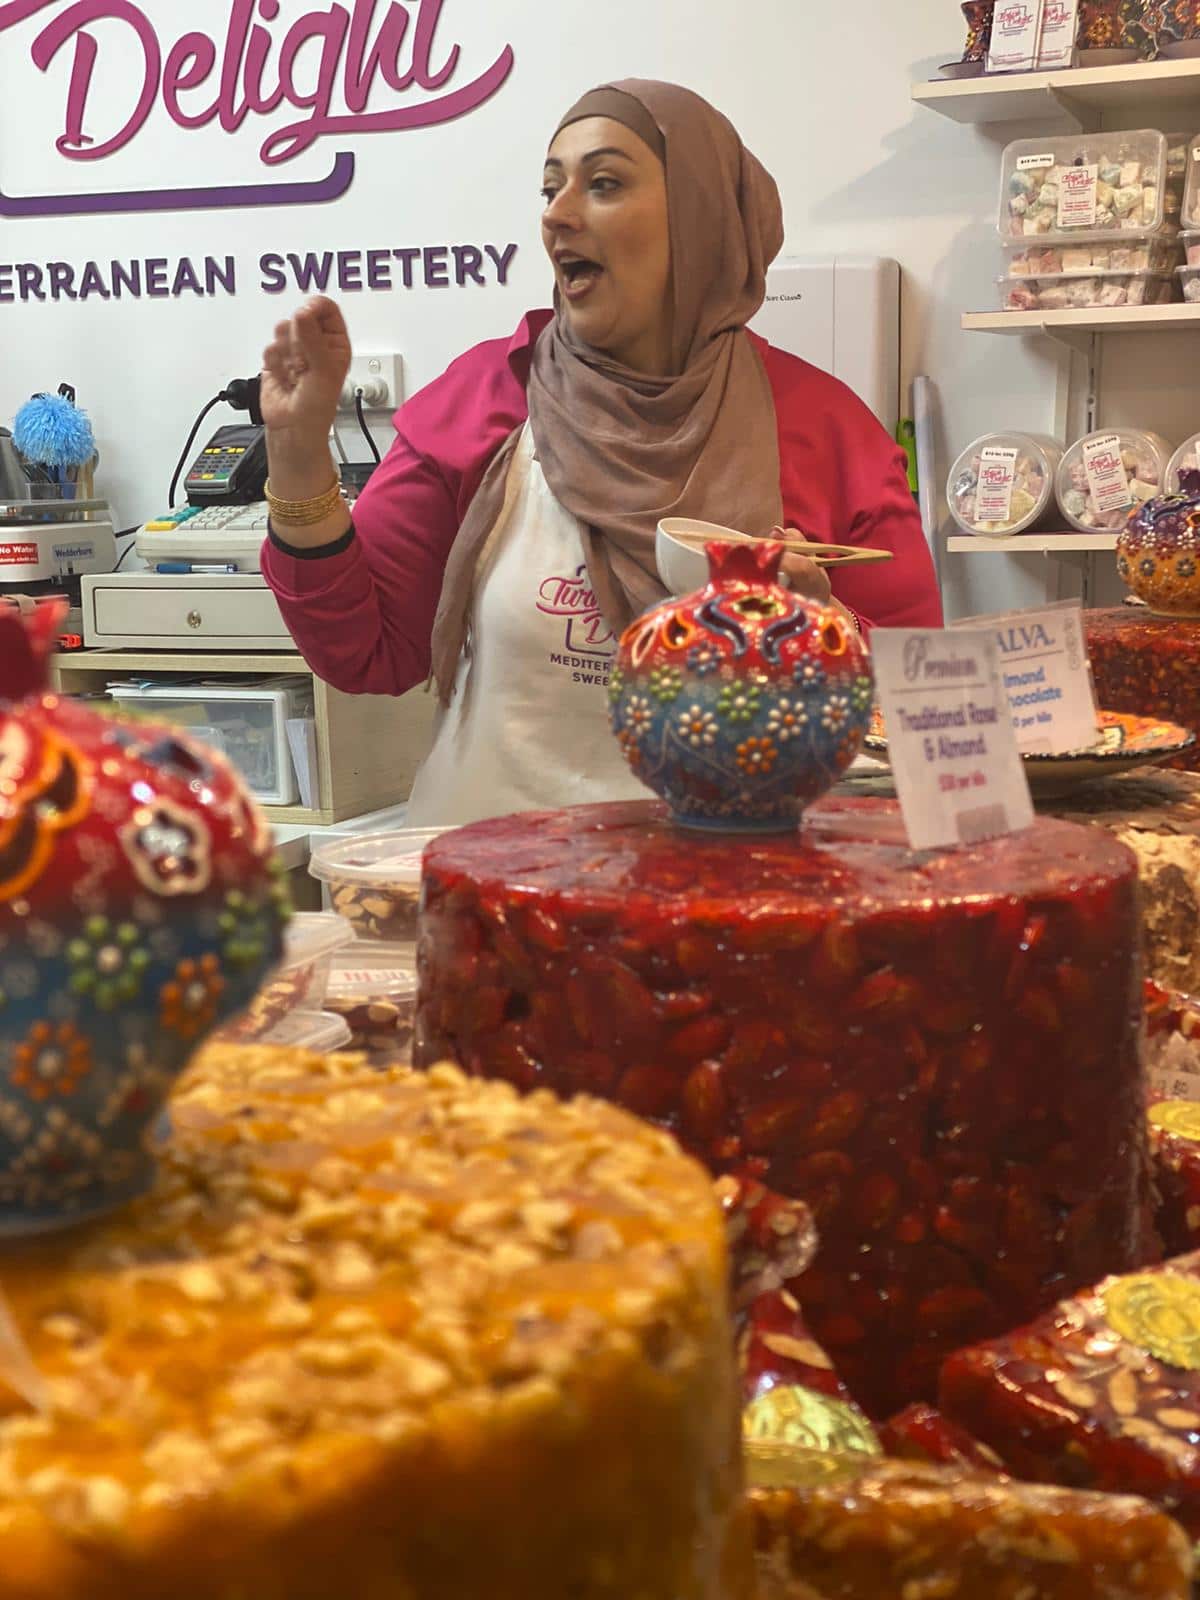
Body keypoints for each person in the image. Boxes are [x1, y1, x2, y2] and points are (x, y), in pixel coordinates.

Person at [259, 79, 942, 827]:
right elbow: (368, 653)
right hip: (495, 893)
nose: (557, 214)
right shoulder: (485, 397)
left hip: (730, 909)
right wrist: (296, 459)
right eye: (550, 188)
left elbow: (925, 711)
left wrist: (825, 632)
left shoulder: (825, 429)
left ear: (701, 218)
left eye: (605, 183)